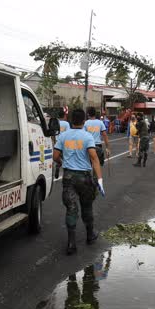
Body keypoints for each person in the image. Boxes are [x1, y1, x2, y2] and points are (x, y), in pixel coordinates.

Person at [53, 109, 104, 255]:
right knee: (87, 207)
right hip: (84, 178)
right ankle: (90, 235)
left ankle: (71, 243)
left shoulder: (63, 136)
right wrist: (99, 179)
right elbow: (94, 158)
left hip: (68, 178)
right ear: (83, 121)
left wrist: (63, 162)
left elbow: (55, 155)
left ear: (71, 120)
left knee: (71, 209)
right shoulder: (87, 137)